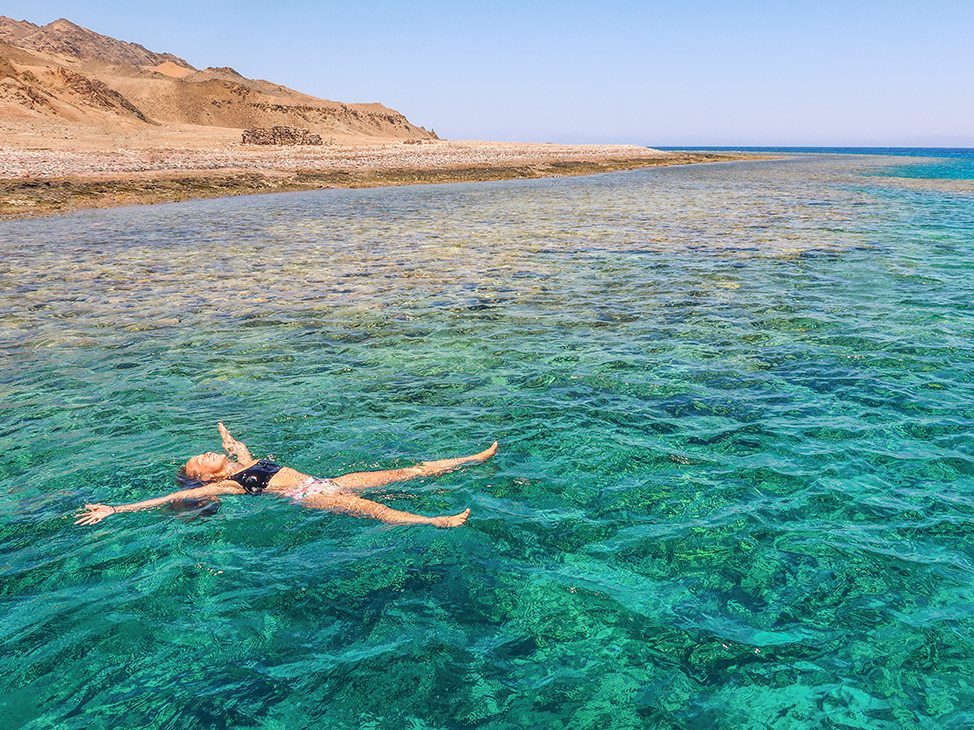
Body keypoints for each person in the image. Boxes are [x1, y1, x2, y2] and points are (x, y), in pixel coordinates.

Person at [75, 422, 497, 528]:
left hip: (328, 481)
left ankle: (471, 459)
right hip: (311, 497)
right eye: (200, 460)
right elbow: (170, 499)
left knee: (405, 471)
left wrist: (227, 439)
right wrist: (116, 509)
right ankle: (434, 521)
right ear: (206, 479)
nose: (205, 454)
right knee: (376, 509)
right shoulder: (231, 484)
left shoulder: (242, 463)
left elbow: (239, 450)